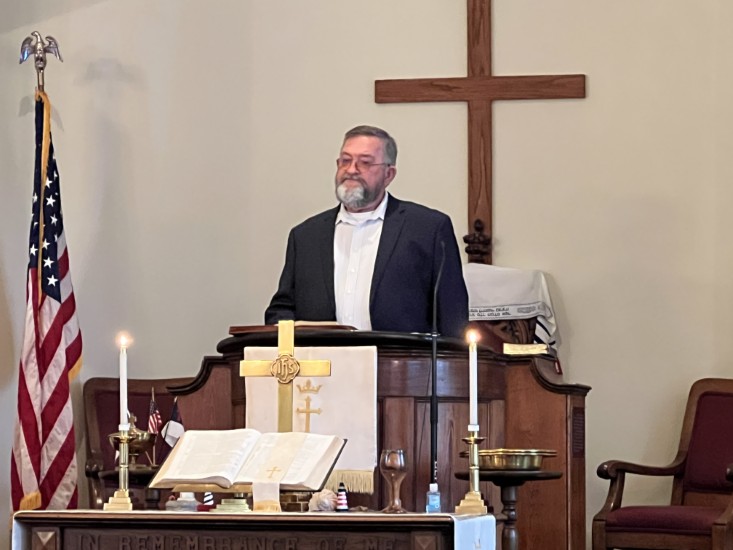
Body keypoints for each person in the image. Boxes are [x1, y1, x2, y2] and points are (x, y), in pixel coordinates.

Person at [264, 125, 468, 338]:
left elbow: (452, 316)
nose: (351, 170)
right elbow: (282, 309)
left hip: (400, 358)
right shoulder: (306, 236)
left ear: (388, 174)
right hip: (322, 357)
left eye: (365, 162)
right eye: (345, 160)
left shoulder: (427, 229)